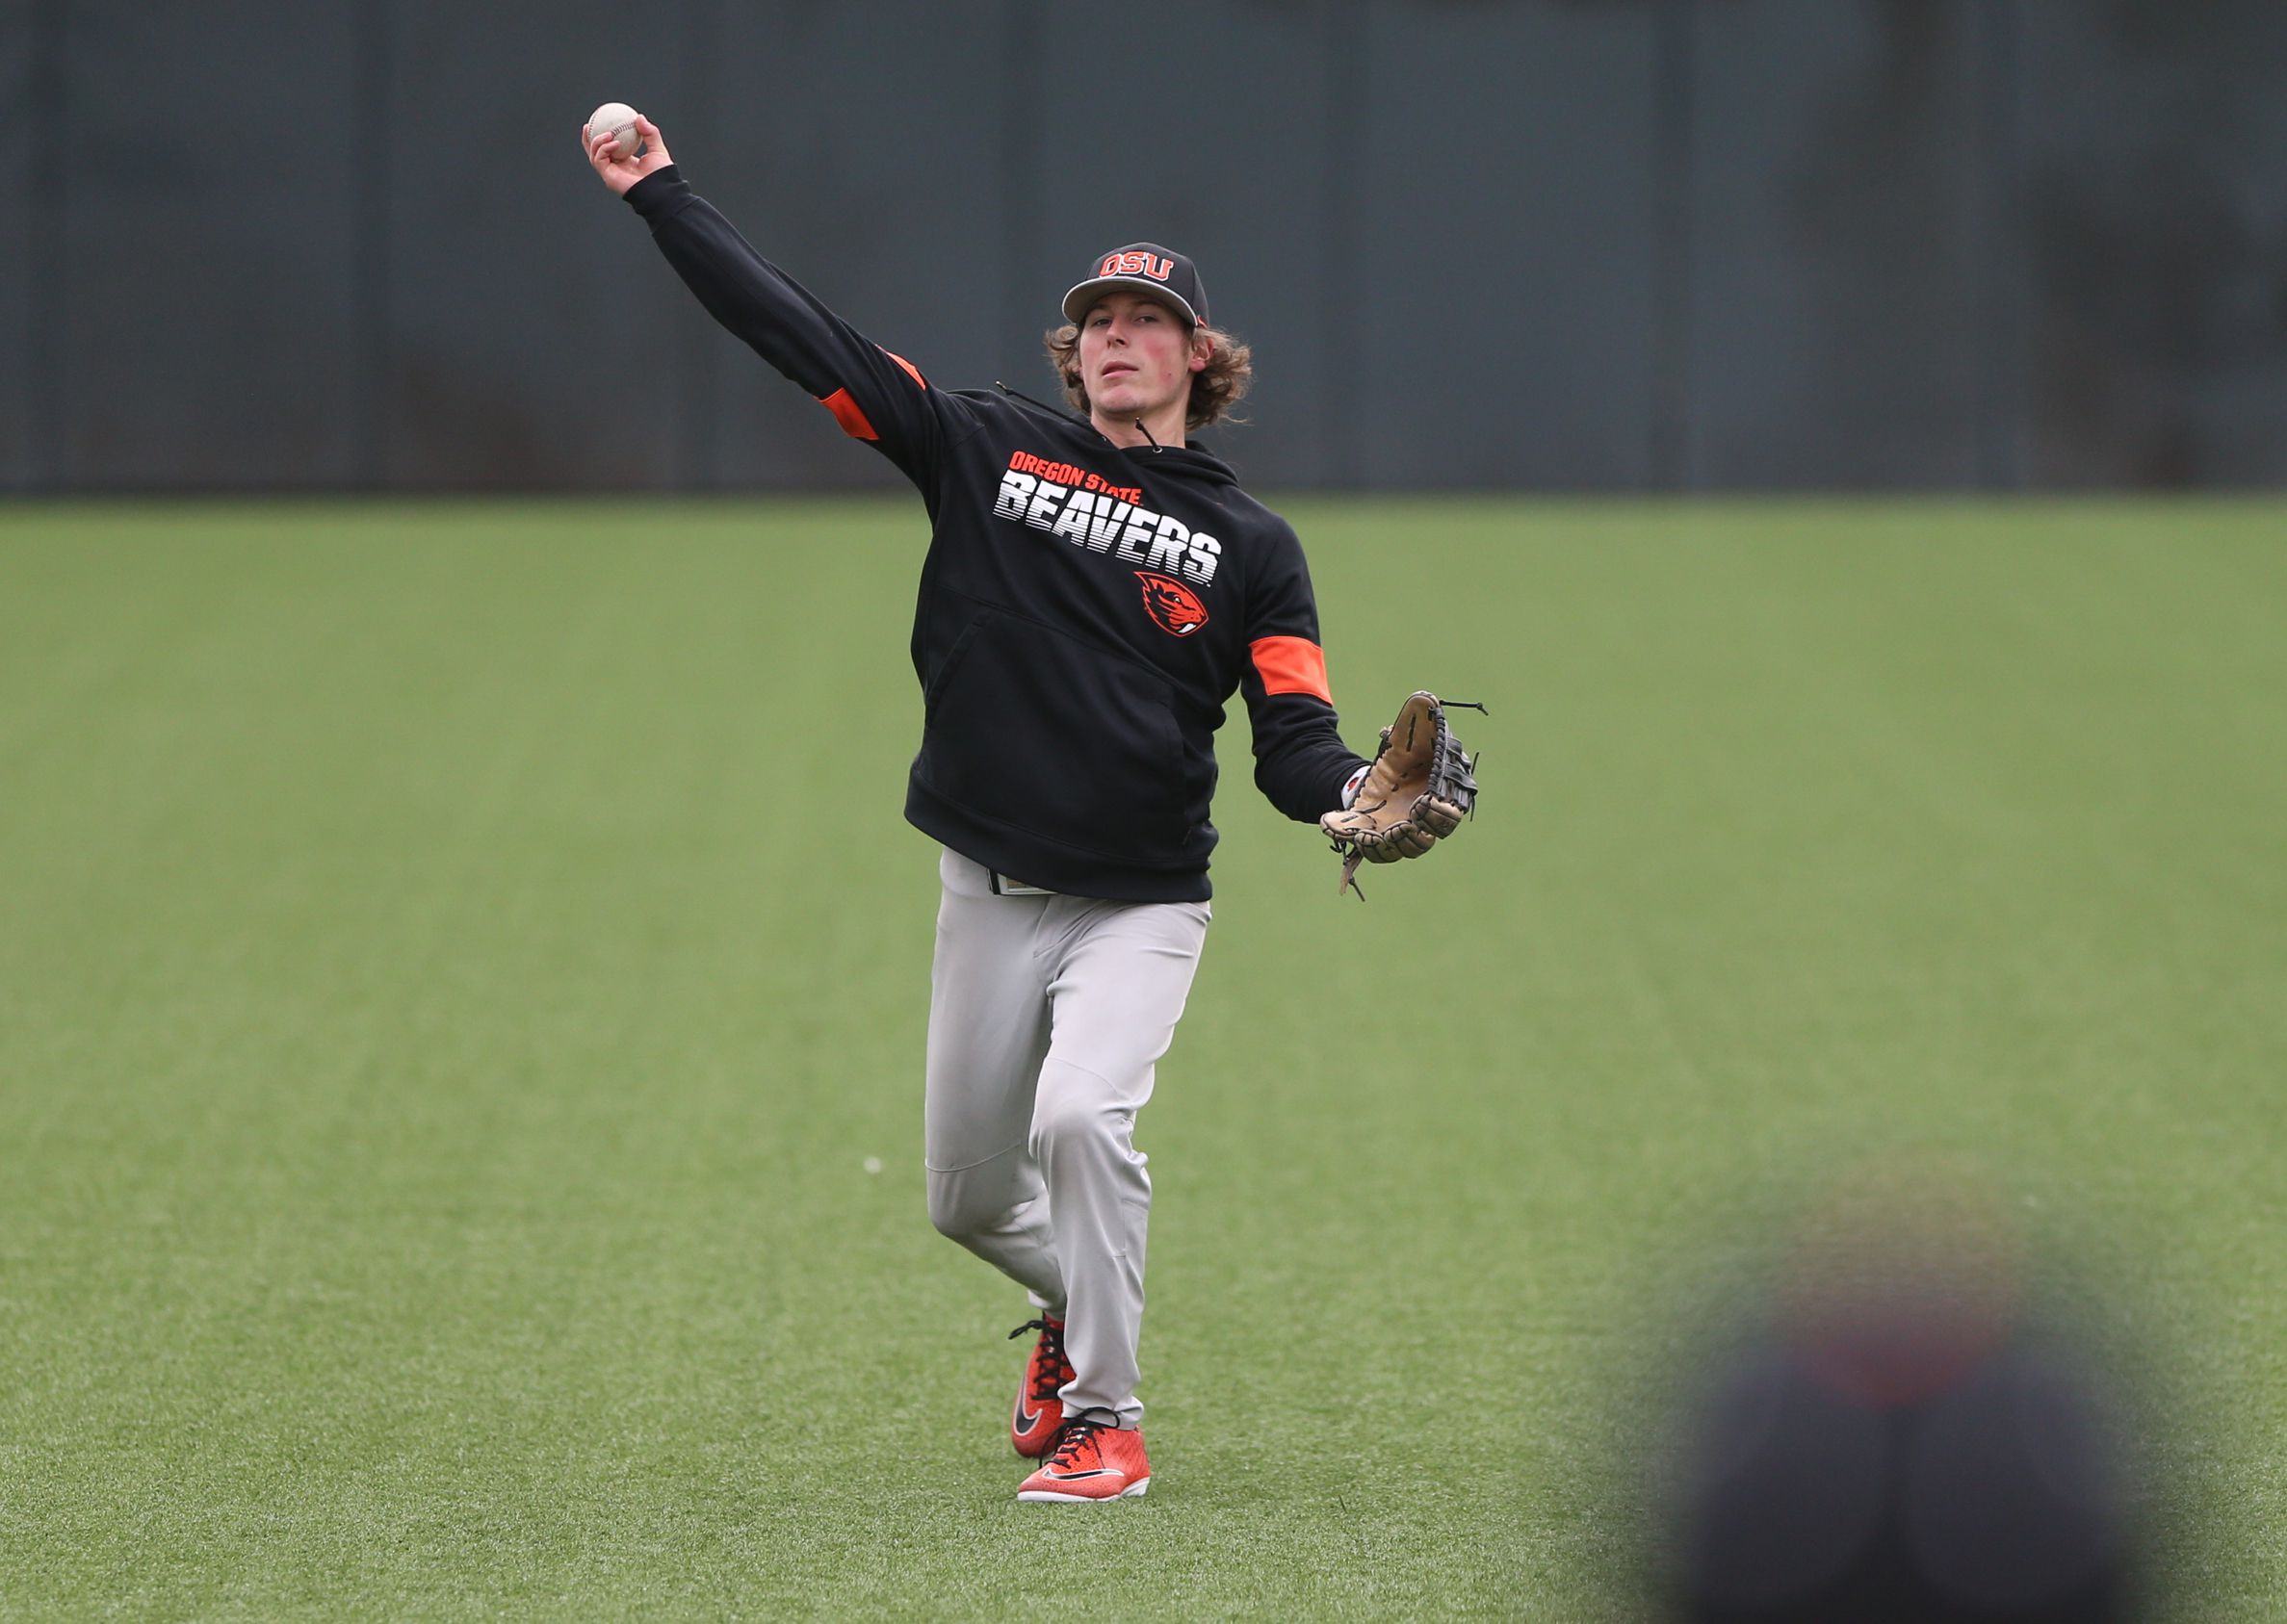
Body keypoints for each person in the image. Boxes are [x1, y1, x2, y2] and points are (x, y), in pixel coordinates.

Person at [585, 112, 1459, 1503]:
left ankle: (1108, 1418)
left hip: (1141, 902)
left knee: (1081, 1125)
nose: (1115, 336)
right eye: (1096, 320)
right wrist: (662, 197)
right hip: (986, 893)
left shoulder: (1254, 548)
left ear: (1197, 358)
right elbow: (802, 336)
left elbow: (1293, 737)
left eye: (1145, 320)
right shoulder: (979, 447)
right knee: (964, 1200)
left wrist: (1354, 790)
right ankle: (1073, 1319)